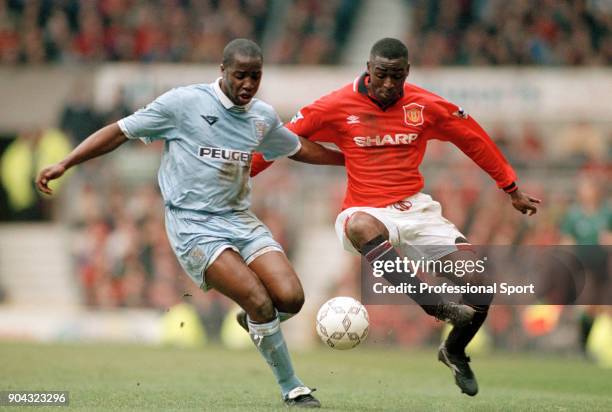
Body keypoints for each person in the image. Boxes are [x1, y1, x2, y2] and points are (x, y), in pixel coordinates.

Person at [37, 38, 345, 408]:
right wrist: (65, 163)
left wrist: (348, 162)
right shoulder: (183, 104)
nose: (248, 84)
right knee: (259, 301)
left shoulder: (261, 116)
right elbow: (120, 131)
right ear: (222, 70)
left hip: (240, 219)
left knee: (291, 299)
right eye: (240, 76)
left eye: (256, 77)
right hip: (193, 225)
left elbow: (297, 147)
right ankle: (292, 387)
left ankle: (257, 324)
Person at [250, 38, 540, 397]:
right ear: (369, 69)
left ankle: (454, 350)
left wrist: (510, 186)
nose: (389, 84)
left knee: (481, 285)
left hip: (416, 209)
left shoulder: (426, 105)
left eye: (397, 76)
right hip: (365, 209)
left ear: (407, 73)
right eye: (383, 75)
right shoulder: (336, 105)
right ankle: (433, 304)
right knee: (360, 226)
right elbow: (281, 138)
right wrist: (243, 175)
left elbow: (472, 138)